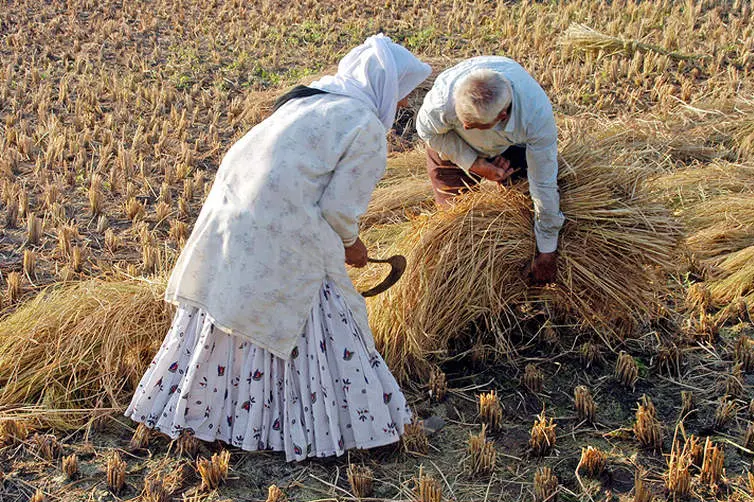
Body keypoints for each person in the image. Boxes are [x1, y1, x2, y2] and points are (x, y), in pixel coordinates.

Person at [125, 35, 432, 462]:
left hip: (232, 218)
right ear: (383, 87)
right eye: (401, 95)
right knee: (320, 316)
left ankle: (202, 418)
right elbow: (338, 211)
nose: (401, 106)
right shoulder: (364, 127)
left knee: (234, 311)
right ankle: (353, 432)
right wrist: (354, 246)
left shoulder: (308, 100)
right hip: (285, 231)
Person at [416, 56, 564, 284]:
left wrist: (547, 251)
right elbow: (428, 132)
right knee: (457, 224)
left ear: (502, 116)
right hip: (450, 144)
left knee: (523, 208)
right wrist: (474, 163)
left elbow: (543, 184)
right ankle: (460, 279)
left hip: (511, 144)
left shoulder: (535, 117)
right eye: (463, 121)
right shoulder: (442, 102)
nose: (466, 127)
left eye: (473, 126)